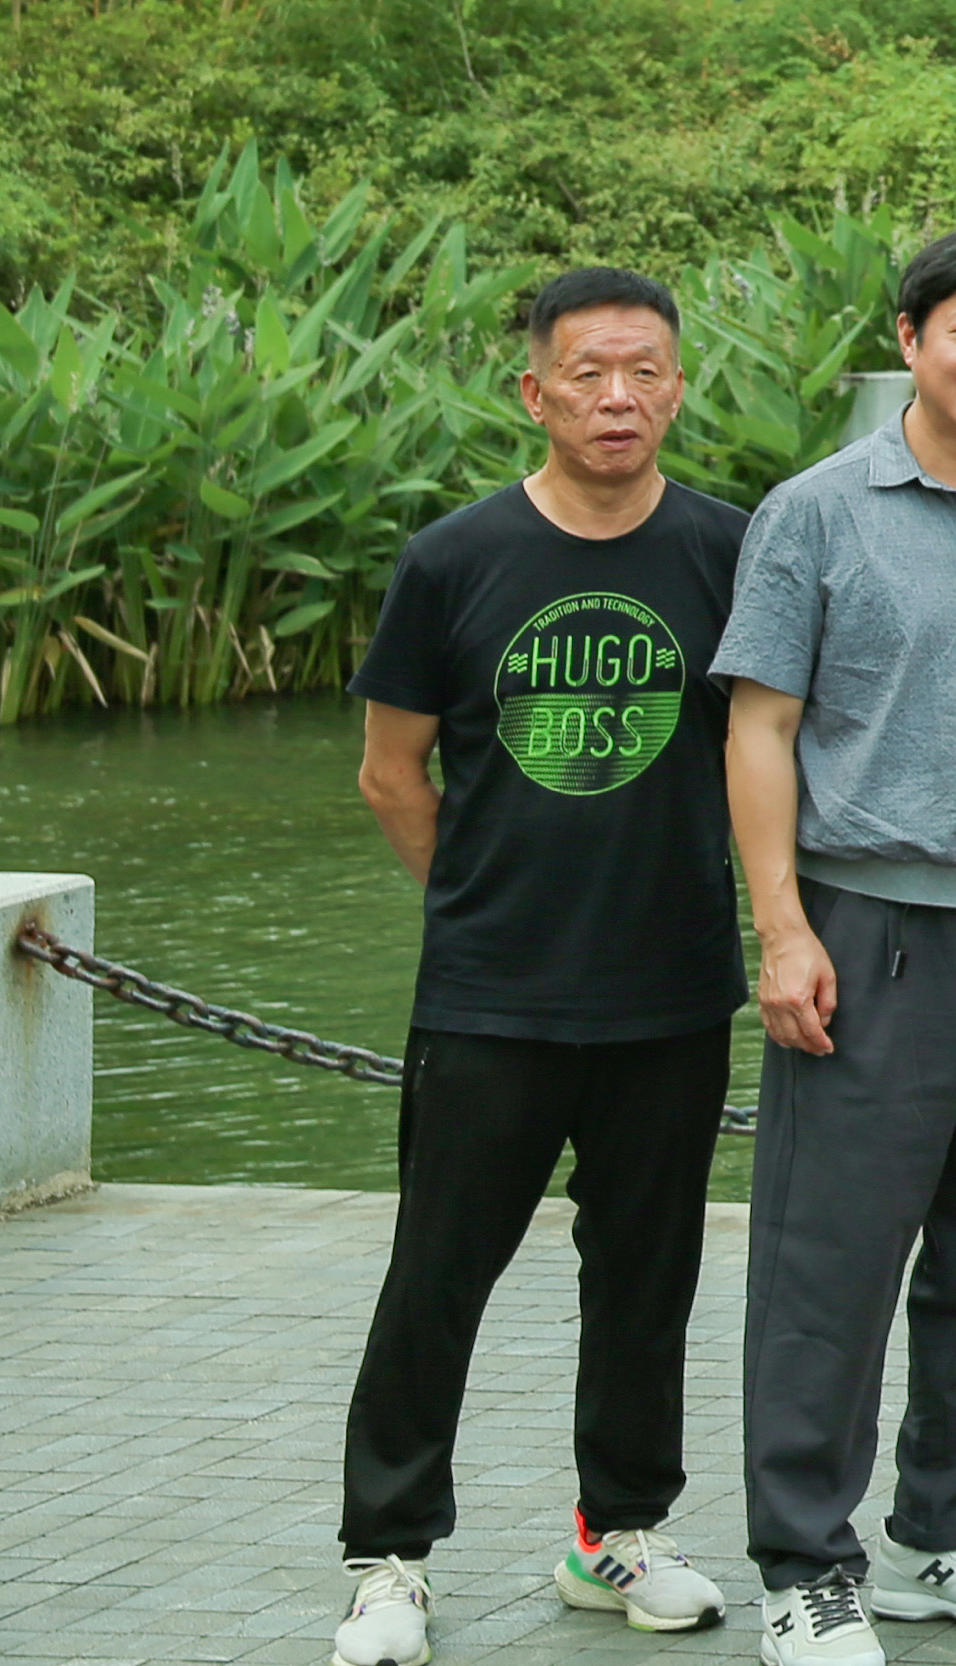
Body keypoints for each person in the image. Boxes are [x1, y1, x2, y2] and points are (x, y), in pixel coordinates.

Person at [326, 269, 743, 1666]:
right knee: (437, 1273)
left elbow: (768, 746)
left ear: (677, 386)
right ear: (536, 392)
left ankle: (617, 1531)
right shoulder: (454, 558)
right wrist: (485, 902)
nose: (617, 397)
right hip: (491, 995)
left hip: (672, 990)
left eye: (644, 370)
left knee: (646, 1276)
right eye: (588, 373)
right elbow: (391, 772)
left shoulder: (729, 550)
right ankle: (390, 1557)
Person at [717, 227, 956, 1665]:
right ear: (911, 339)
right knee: (830, 1257)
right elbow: (759, 726)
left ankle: (945, 1533)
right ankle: (803, 1564)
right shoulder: (817, 513)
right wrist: (782, 926)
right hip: (869, 926)